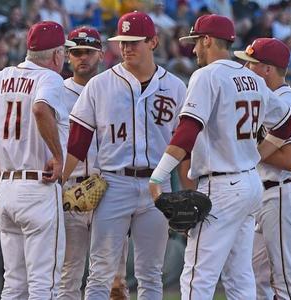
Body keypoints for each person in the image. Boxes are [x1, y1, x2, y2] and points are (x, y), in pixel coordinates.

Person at [148, 14, 291, 299]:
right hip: (249, 184)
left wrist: (159, 175)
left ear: (207, 40)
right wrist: (255, 154)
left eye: (196, 42)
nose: (193, 50)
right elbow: (286, 123)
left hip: (221, 187)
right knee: (240, 276)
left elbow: (188, 129)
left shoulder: (207, 75)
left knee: (197, 277)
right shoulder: (253, 79)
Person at [63, 11, 187, 299]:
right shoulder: (100, 84)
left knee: (150, 273)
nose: (127, 48)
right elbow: (78, 143)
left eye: (134, 41)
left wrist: (189, 186)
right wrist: (58, 181)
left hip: (157, 185)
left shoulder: (176, 86)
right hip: (113, 184)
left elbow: (186, 145)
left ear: (153, 41)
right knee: (101, 272)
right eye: (123, 42)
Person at [0, 21, 75, 299]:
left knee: (13, 284)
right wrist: (58, 157)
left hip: (6, 188)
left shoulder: (2, 77)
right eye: (64, 53)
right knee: (43, 284)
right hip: (38, 187)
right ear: (57, 54)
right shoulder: (50, 79)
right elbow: (39, 109)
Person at [235, 37, 291, 300]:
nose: (246, 69)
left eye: (251, 63)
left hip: (283, 193)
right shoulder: (265, 100)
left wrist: (249, 151)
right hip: (268, 196)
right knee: (256, 277)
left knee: (287, 284)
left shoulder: (286, 101)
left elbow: (289, 158)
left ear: (267, 69)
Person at [57, 26, 129, 300]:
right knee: (69, 277)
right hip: (71, 191)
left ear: (100, 55)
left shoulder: (118, 90)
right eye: (76, 52)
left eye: (88, 51)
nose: (82, 58)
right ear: (67, 56)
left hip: (110, 189)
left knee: (116, 281)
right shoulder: (57, 92)